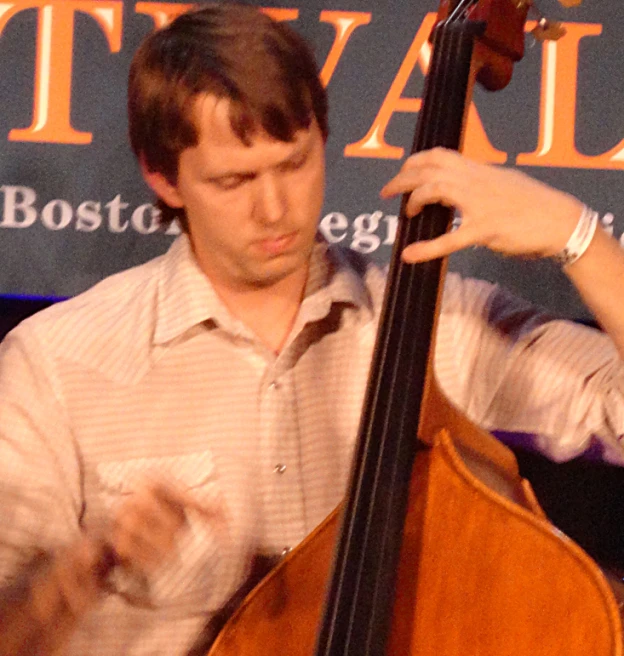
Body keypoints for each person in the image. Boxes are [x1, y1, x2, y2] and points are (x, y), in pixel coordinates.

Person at [0, 3, 622, 654]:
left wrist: (578, 237)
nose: (274, 209)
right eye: (234, 180)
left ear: (324, 139)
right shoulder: (57, 363)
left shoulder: (444, 328)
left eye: (293, 164)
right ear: (163, 175)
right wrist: (76, 573)